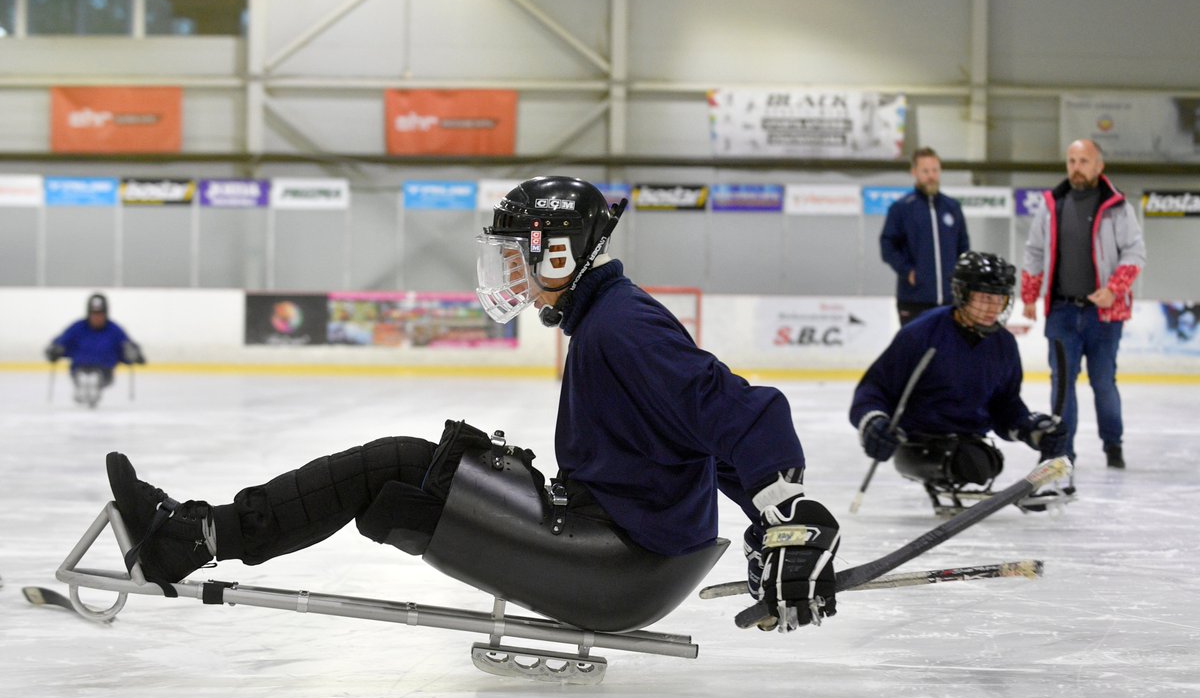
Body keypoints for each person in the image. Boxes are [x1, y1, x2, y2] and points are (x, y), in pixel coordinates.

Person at [104, 176, 840, 634]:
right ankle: (197, 533)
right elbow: (700, 433)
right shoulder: (605, 317)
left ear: (559, 252)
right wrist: (767, 522)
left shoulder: (621, 324)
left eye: (520, 253)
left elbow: (731, 407)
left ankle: (191, 536)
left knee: (392, 468)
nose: (511, 269)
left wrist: (790, 509)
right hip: (630, 553)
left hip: (619, 562)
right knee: (396, 483)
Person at [849, 252, 1070, 515]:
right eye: (986, 297)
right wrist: (874, 423)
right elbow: (872, 390)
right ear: (962, 293)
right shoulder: (921, 334)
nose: (994, 307)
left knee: (983, 462)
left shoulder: (1004, 344)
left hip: (969, 444)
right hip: (918, 445)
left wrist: (1034, 429)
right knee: (974, 463)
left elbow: (1005, 406)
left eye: (1001, 298)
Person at [1020, 139, 1146, 469]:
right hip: (1061, 311)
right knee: (1062, 384)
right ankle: (1063, 451)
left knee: (1103, 383)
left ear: (1099, 166)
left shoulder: (1117, 207)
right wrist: (1030, 294)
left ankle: (1112, 445)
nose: (1077, 167)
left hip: (1104, 314)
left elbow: (1135, 252)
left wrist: (1114, 289)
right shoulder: (1052, 205)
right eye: (1072, 161)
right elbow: (1034, 251)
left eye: (1084, 161)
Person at [880, 147, 971, 326]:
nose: (931, 175)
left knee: (948, 353)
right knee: (916, 353)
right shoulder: (902, 208)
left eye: (935, 170)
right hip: (914, 300)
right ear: (914, 172)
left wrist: (960, 279)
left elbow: (963, 247)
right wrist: (908, 272)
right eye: (925, 171)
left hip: (950, 301)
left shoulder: (952, 207)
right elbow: (887, 246)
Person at [45, 293, 146, 407]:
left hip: (105, 371)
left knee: (95, 377)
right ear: (88, 314)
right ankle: (83, 388)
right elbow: (61, 342)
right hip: (79, 369)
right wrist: (55, 350)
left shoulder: (114, 330)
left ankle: (93, 387)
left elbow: (127, 346)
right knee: (84, 376)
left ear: (106, 314)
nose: (97, 318)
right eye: (93, 314)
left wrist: (135, 355)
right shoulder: (78, 327)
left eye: (100, 314)